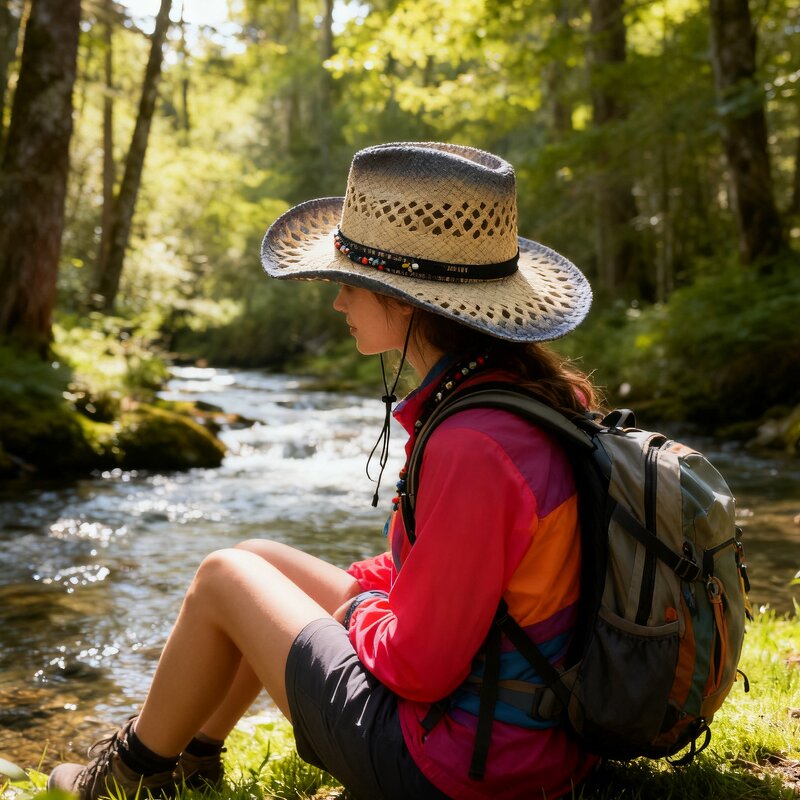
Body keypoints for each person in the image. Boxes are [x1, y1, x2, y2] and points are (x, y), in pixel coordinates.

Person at [48, 142, 600, 800]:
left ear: (405, 301)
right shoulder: (525, 397)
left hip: (458, 768)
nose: (338, 301)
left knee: (224, 575)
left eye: (349, 281)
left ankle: (123, 778)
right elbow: (465, 575)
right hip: (531, 740)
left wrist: (358, 607)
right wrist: (363, 594)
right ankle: (190, 759)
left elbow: (421, 667)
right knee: (257, 558)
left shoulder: (473, 444)